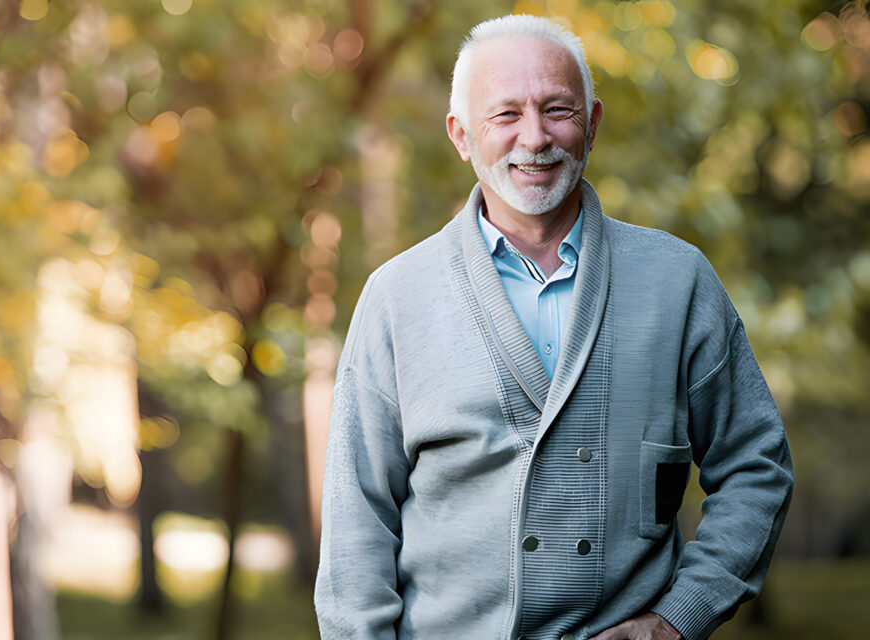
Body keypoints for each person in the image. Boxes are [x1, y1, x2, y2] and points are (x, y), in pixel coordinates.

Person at [314, 14, 793, 640]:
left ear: (592, 124)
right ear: (461, 135)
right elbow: (357, 528)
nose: (535, 138)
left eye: (557, 110)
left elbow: (756, 466)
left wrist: (678, 619)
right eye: (505, 115)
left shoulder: (678, 282)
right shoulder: (396, 298)